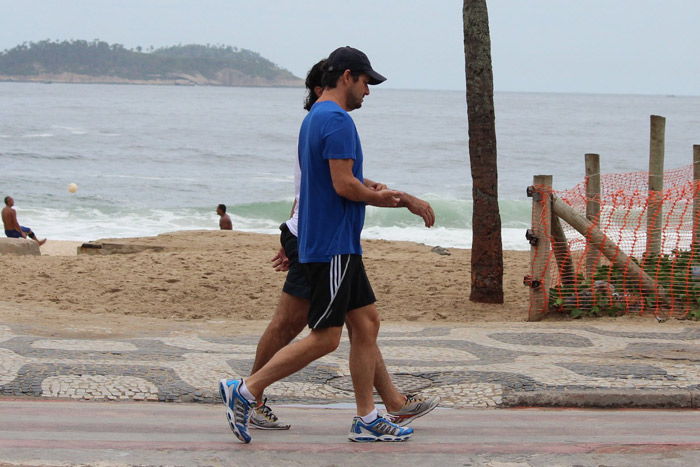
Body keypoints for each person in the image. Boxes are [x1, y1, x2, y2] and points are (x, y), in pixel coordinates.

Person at [220, 47, 430, 443]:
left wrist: (367, 186)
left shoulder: (316, 117)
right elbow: (342, 185)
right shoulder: (337, 120)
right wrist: (393, 199)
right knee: (326, 337)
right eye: (367, 82)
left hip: (333, 239)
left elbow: (325, 180)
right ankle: (245, 391)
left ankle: (367, 417)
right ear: (347, 76)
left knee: (367, 323)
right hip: (333, 243)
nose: (368, 92)